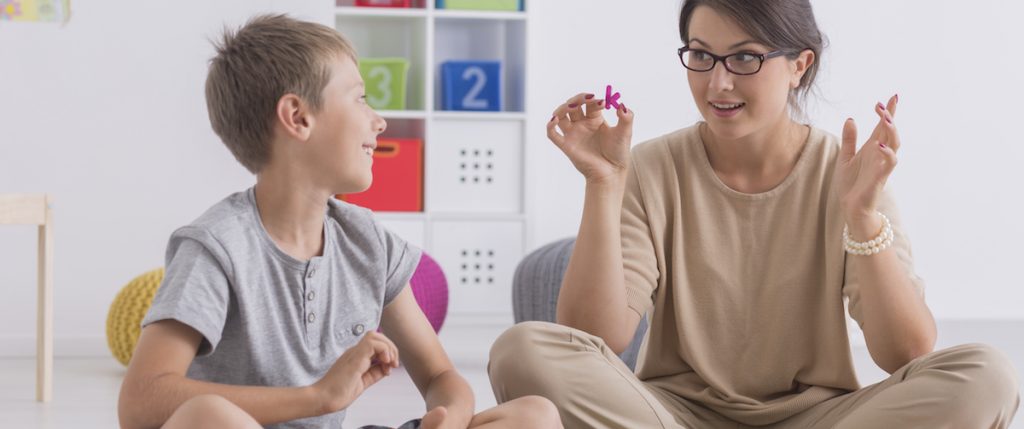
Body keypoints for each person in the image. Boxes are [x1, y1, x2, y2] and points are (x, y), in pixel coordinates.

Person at [487, 1, 1020, 427]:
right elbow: (595, 338)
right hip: (673, 415)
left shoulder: (847, 171)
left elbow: (906, 352)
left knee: (987, 376)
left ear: (799, 64)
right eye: (701, 55)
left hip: (820, 416)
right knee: (522, 350)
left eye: (745, 58)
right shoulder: (649, 167)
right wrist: (603, 184)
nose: (718, 83)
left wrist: (861, 218)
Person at [117, 14, 561, 429]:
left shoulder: (367, 241)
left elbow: (441, 375)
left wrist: (449, 415)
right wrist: (318, 396)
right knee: (208, 417)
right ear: (298, 117)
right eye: (361, 98)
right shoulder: (217, 247)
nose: (380, 120)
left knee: (534, 415)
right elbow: (141, 400)